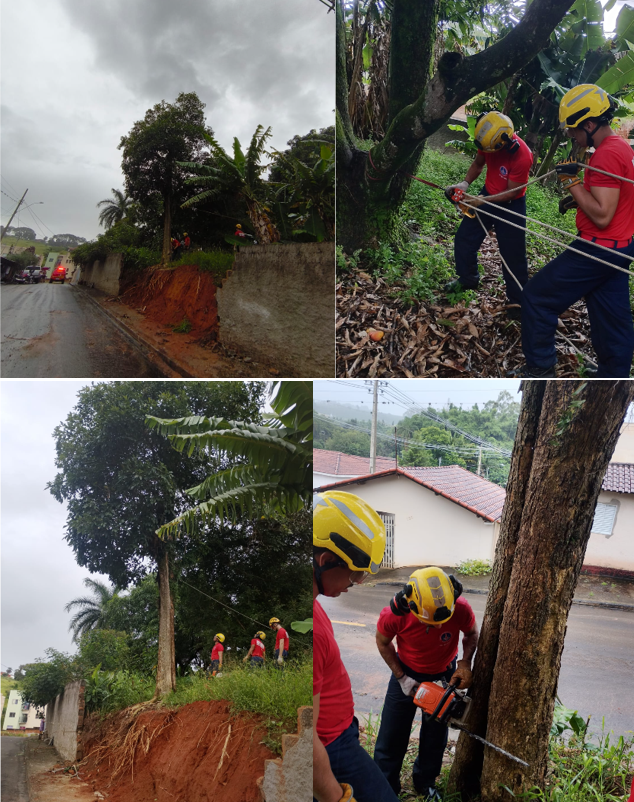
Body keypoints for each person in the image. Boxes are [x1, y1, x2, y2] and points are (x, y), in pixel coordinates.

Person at [519, 84, 634, 377]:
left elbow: (603, 215)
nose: (571, 135)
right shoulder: (621, 147)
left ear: (591, 124)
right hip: (620, 247)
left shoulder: (606, 155)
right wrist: (577, 198)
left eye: (574, 129)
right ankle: (613, 376)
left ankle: (540, 369)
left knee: (537, 298)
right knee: (612, 321)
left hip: (598, 249)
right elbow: (617, 199)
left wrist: (571, 182)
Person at [313, 490, 400, 802]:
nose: (358, 583)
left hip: (339, 736)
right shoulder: (310, 632)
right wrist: (336, 797)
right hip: (329, 749)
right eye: (355, 572)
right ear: (325, 561)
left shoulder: (314, 607)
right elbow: (306, 739)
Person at [373, 567, 478, 801]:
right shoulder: (394, 614)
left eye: (444, 621)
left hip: (443, 674)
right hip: (406, 670)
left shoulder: (459, 607)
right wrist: (402, 677)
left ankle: (425, 782)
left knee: (435, 735)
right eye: (431, 622)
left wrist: (464, 664)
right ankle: (386, 787)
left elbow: (471, 633)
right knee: (391, 735)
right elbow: (382, 642)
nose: (440, 627)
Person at [444, 111, 533, 318]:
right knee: (464, 238)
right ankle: (468, 279)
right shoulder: (487, 139)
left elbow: (511, 192)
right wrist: (464, 184)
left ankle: (517, 303)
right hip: (487, 194)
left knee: (513, 256)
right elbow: (478, 164)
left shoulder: (522, 155)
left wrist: (480, 201)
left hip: (512, 205)